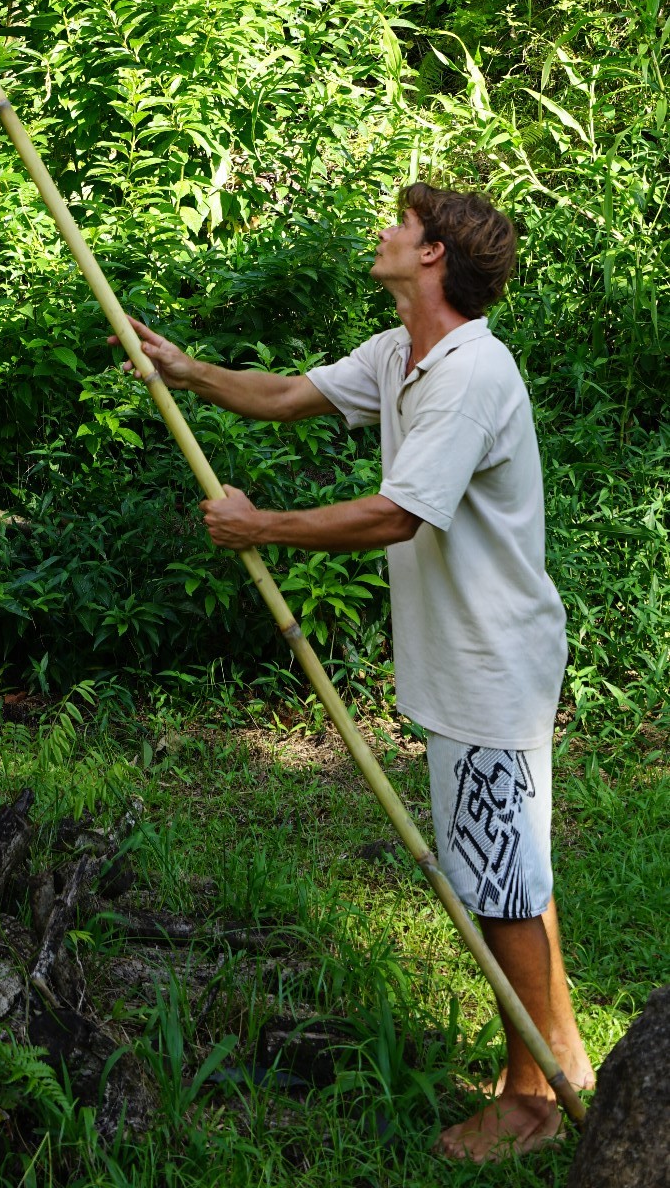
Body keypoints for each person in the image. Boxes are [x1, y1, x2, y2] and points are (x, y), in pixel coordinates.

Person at [113, 184, 594, 1161]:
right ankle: (568, 1058)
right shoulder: (400, 354)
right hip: (472, 659)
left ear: (432, 257)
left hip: (491, 665)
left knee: (498, 885)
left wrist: (262, 527)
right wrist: (183, 368)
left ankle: (533, 1095)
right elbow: (291, 394)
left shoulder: (469, 373)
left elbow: (398, 512)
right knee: (516, 868)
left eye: (399, 224)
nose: (383, 230)